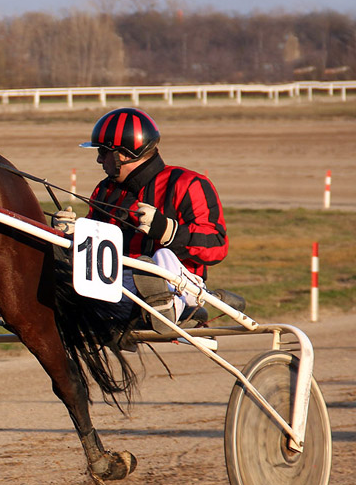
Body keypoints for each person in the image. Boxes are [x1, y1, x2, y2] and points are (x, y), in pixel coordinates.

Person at [52, 107, 232, 332]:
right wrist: (67, 236)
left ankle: (165, 303)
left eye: (104, 152)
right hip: (116, 283)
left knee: (160, 257)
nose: (99, 159)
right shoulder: (105, 189)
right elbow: (96, 248)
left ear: (125, 154)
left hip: (179, 283)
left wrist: (168, 231)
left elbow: (217, 245)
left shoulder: (188, 183)